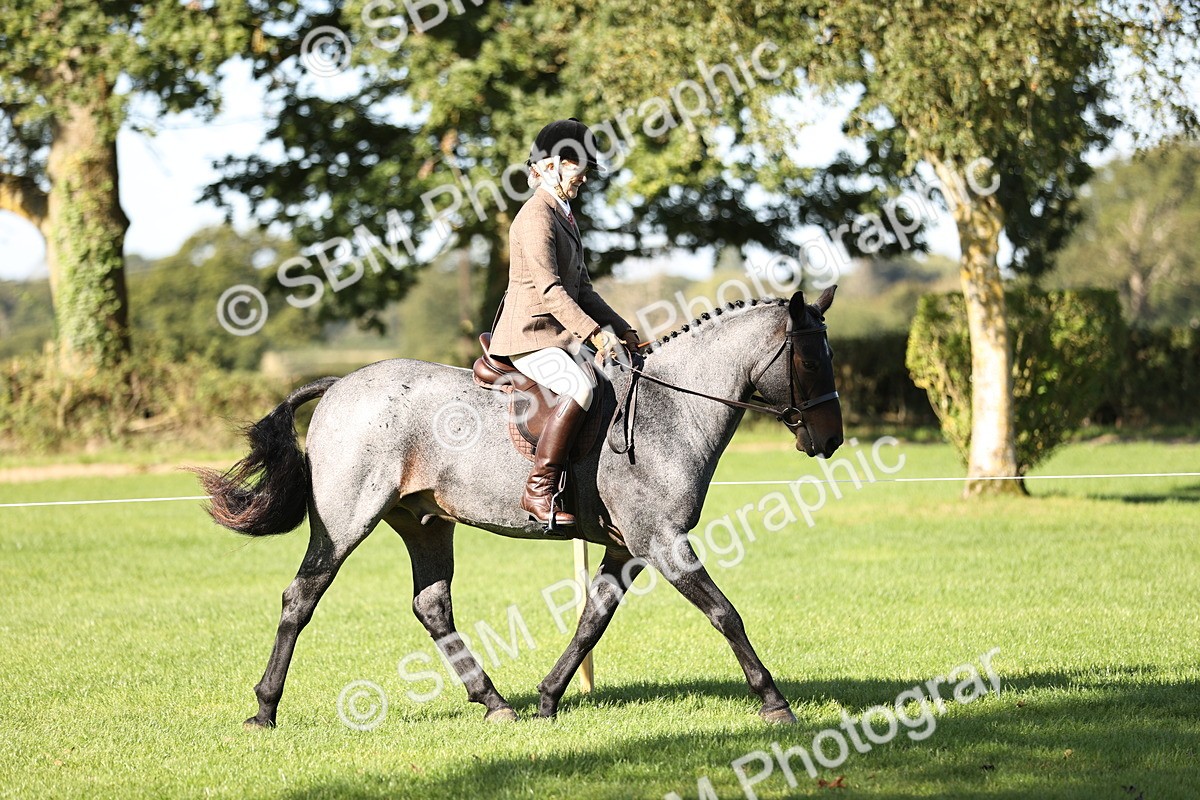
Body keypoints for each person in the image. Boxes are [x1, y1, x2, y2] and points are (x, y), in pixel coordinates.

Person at [487, 118, 641, 527]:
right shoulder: (536, 216)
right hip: (529, 335)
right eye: (580, 168)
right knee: (581, 385)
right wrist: (594, 333)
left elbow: (584, 291)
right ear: (553, 165)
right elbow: (552, 291)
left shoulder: (564, 215)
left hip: (555, 336)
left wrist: (623, 329)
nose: (585, 177)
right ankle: (538, 488)